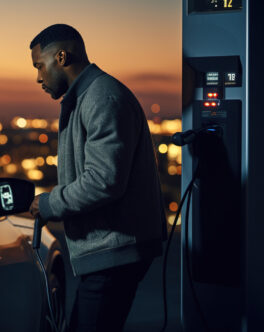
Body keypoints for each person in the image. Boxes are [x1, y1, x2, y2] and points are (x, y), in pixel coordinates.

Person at [28, 24, 167, 332]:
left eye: (40, 66)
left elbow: (104, 180)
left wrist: (50, 204)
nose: (38, 78)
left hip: (114, 253)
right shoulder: (88, 97)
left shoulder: (102, 97)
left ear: (61, 57)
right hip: (109, 251)